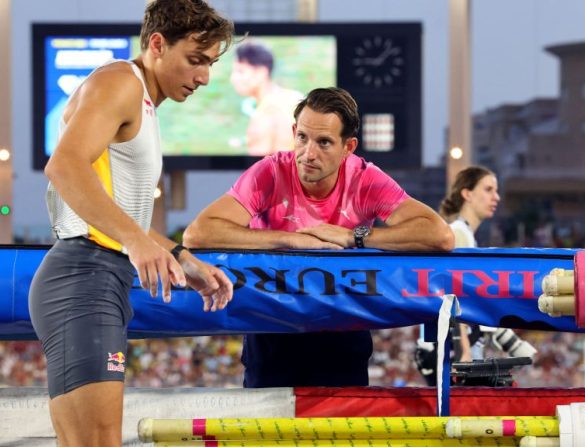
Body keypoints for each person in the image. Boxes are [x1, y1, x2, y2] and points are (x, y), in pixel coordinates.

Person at [28, 2, 235, 446]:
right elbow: (63, 166)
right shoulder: (119, 81)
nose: (204, 77)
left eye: (211, 64)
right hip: (83, 274)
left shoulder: (139, 98)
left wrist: (181, 256)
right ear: (157, 44)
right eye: (196, 60)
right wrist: (134, 243)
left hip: (97, 275)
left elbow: (124, 214)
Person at [184, 87, 454, 387]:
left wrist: (353, 237)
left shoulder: (365, 179)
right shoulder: (270, 172)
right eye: (302, 138)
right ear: (293, 132)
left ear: (348, 147)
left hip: (342, 328)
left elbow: (440, 235)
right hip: (274, 329)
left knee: (340, 434)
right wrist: (288, 240)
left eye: (324, 142)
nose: (308, 154)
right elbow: (198, 233)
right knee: (268, 435)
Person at [415, 166, 536, 386]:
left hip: (446, 345)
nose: (496, 197)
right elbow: (454, 297)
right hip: (449, 347)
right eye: (488, 189)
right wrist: (464, 352)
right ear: (467, 194)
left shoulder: (464, 234)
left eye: (496, 191)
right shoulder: (459, 233)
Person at [230, 40, 304, 156]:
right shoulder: (295, 97)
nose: (233, 78)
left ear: (261, 72)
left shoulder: (266, 114)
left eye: (240, 71)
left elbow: (260, 167)